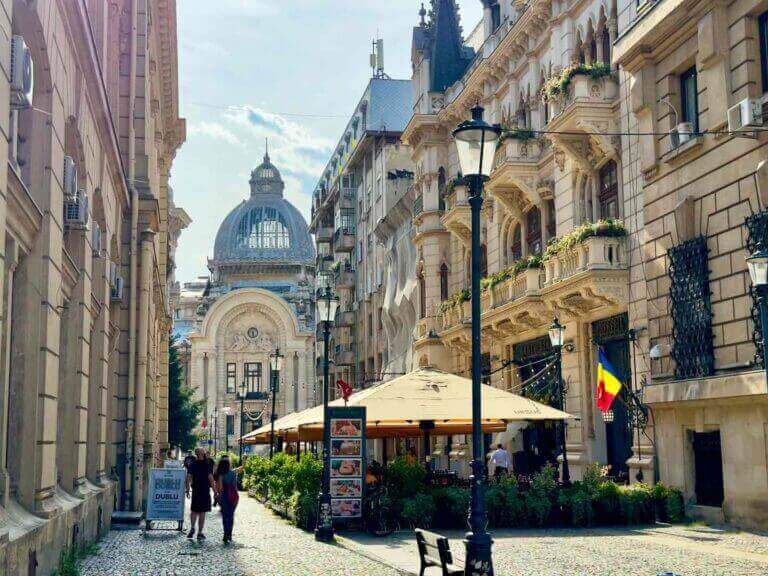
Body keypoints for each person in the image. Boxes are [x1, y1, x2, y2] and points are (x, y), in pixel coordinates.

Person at [185, 448, 215, 540]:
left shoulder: (192, 464)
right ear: (202, 453)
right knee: (202, 512)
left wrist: (187, 490)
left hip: (196, 490)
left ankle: (192, 528)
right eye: (204, 451)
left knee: (194, 510)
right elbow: (211, 478)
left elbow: (188, 478)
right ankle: (200, 532)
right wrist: (215, 491)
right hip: (205, 490)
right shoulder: (207, 464)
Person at [216, 456, 244, 545]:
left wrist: (218, 497)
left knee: (225, 516)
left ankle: (225, 533)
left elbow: (220, 488)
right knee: (231, 515)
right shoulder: (233, 472)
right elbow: (242, 468)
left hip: (224, 496)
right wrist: (244, 460)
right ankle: (230, 534)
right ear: (228, 465)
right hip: (234, 496)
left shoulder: (220, 474)